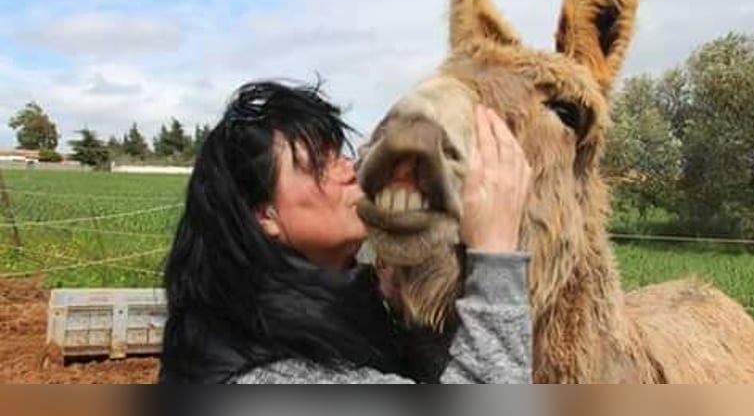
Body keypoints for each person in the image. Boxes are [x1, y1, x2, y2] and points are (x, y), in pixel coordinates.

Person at [158, 80, 533, 384]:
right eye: (319, 164)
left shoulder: (309, 315)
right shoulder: (265, 378)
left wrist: (407, 319)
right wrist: (496, 253)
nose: (350, 170)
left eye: (340, 153)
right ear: (264, 215)